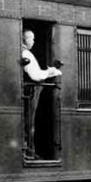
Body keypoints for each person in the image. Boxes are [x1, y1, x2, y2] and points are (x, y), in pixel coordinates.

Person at [21, 30, 61, 159]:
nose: (33, 41)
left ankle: (29, 150)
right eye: (31, 39)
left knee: (28, 122)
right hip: (32, 92)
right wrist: (50, 73)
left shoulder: (24, 52)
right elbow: (35, 76)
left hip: (29, 92)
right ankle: (29, 152)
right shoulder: (25, 53)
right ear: (25, 39)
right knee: (30, 122)